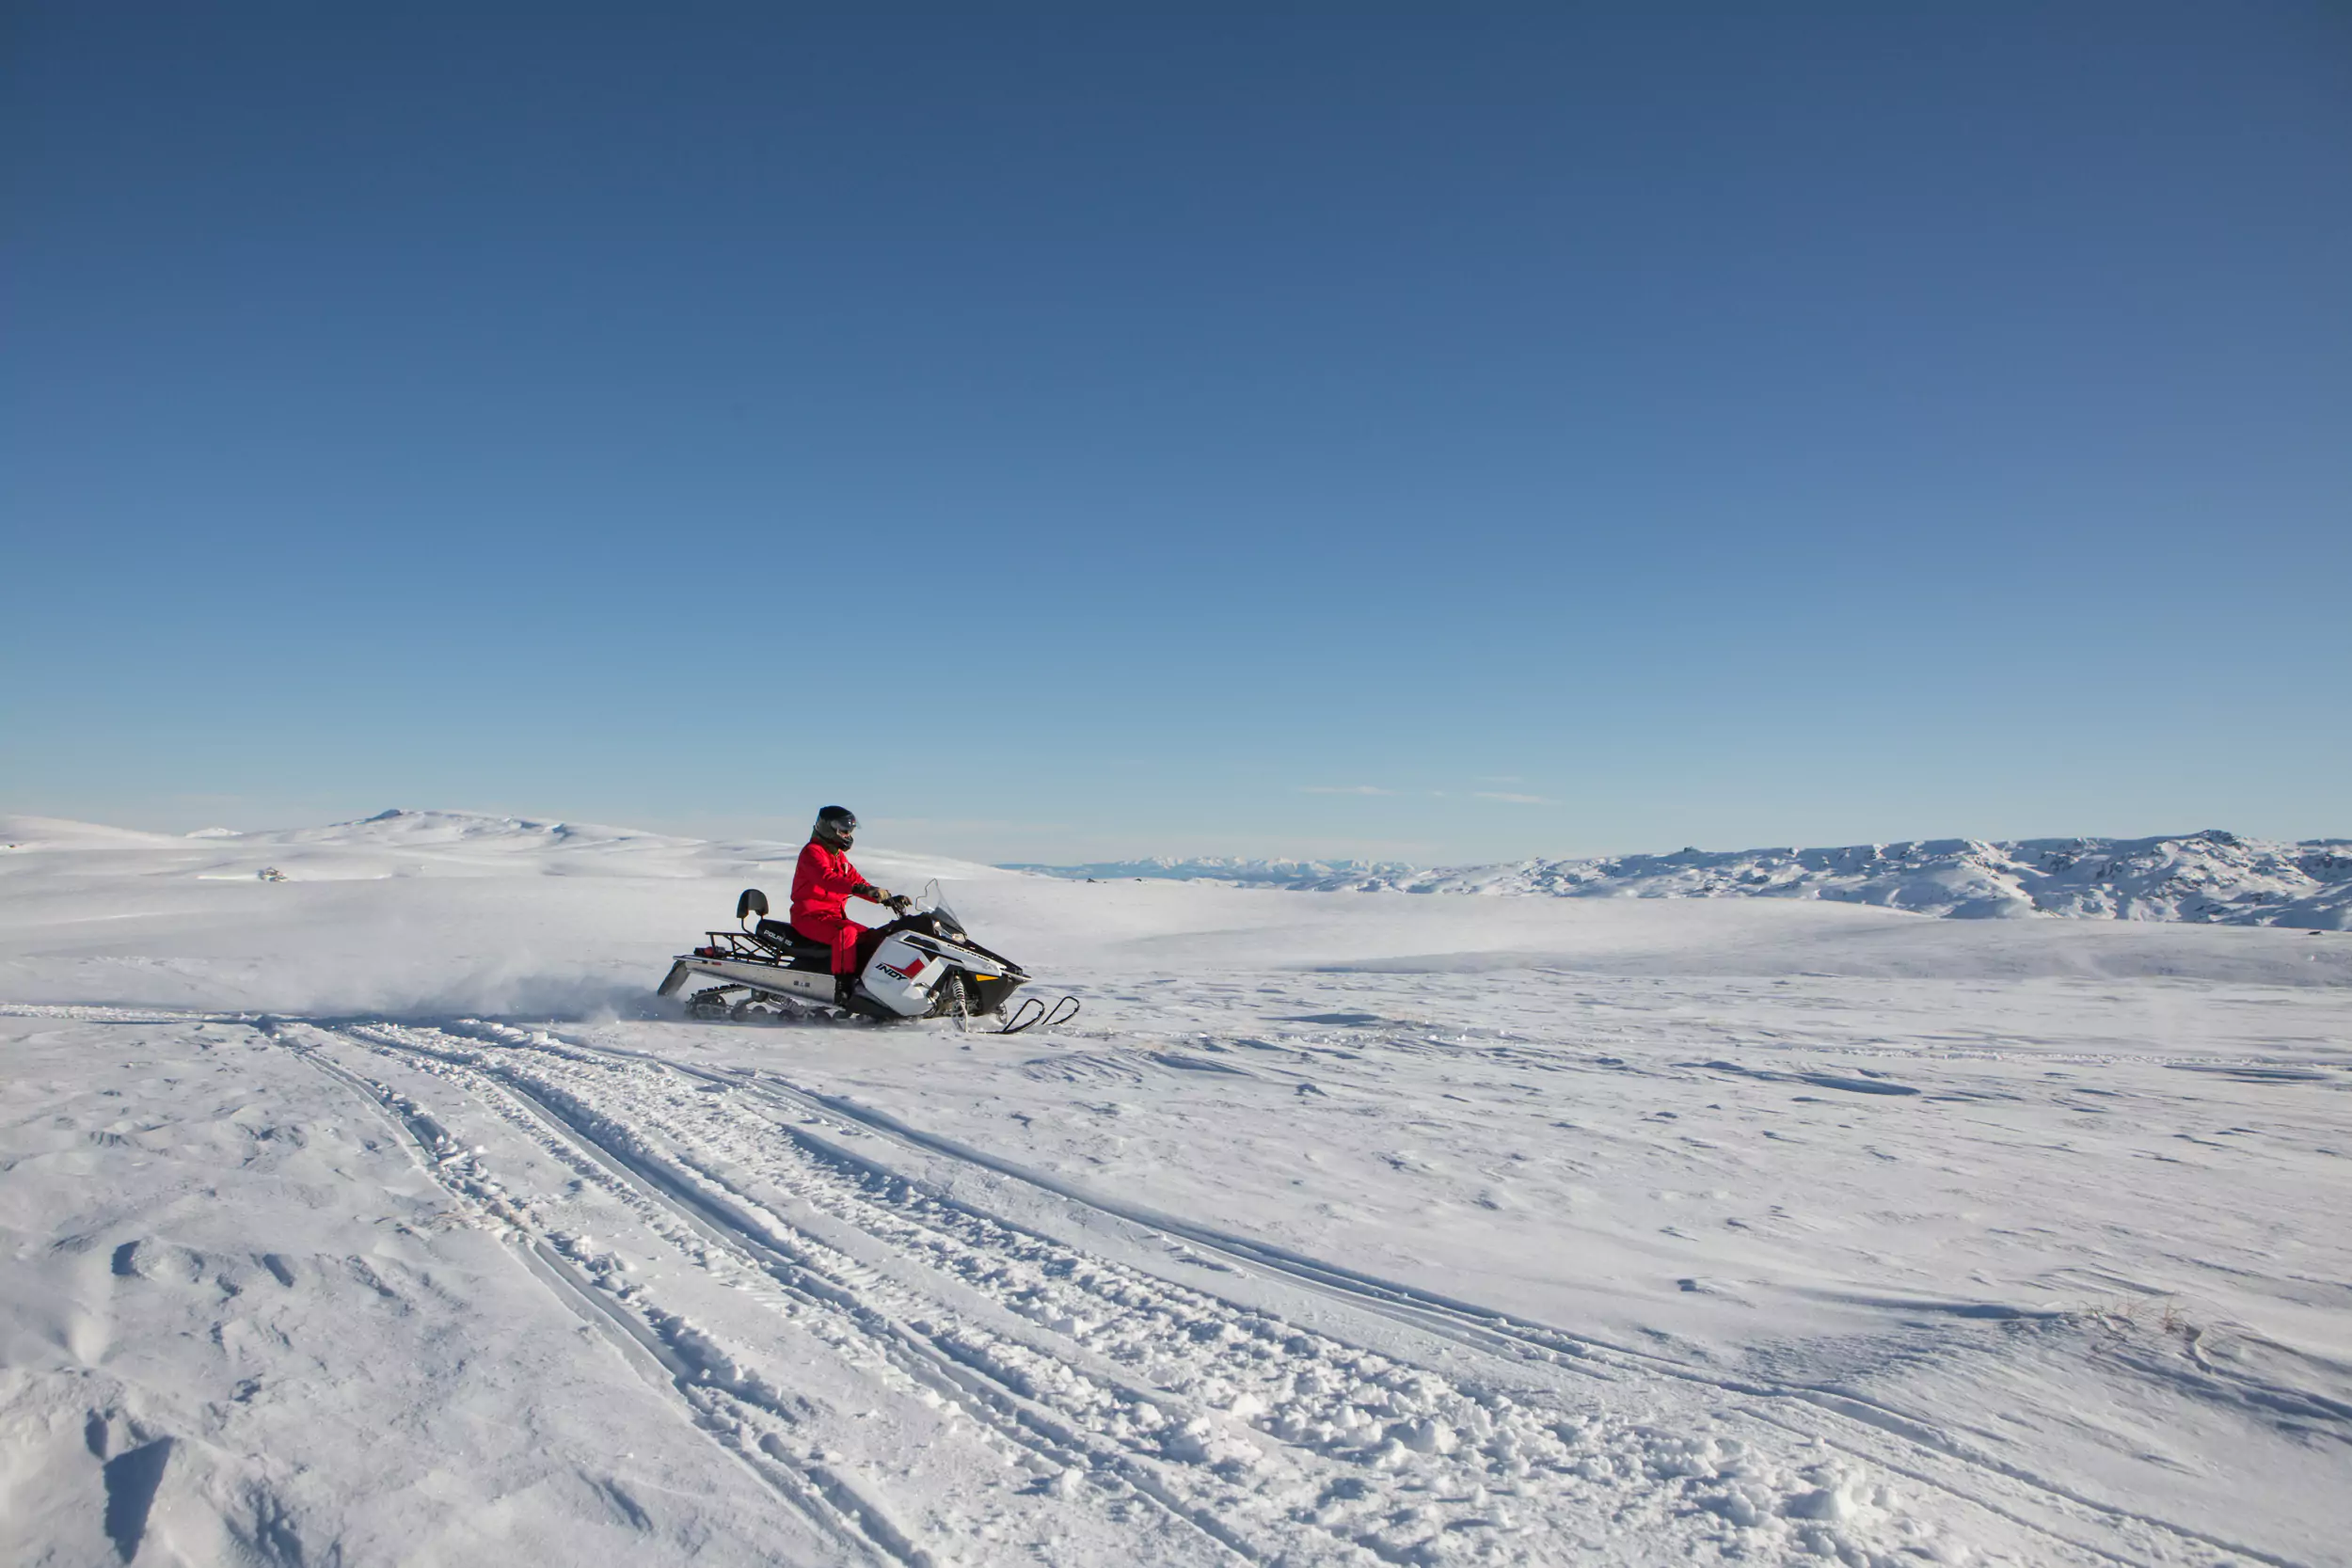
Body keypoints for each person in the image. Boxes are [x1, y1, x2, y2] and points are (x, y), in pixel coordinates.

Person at [788, 806, 909, 1005]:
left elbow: (858, 881)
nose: (848, 835)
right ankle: (844, 988)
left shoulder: (838, 857)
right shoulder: (812, 853)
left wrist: (887, 898)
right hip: (809, 916)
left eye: (850, 831)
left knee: (873, 937)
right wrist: (859, 889)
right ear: (828, 828)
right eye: (844, 830)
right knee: (846, 933)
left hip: (832, 916)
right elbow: (826, 878)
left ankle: (874, 986)